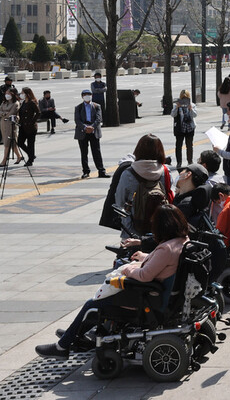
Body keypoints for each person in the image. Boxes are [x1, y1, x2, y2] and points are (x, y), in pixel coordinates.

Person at [35, 204, 190, 359]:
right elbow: (162, 264)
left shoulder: (166, 249)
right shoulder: (181, 241)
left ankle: (62, 347)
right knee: (97, 304)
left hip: (148, 299)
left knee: (92, 305)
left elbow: (144, 276)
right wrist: (144, 257)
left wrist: (127, 270)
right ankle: (75, 332)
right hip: (160, 295)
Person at [114, 134, 174, 236]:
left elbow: (120, 201)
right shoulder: (165, 171)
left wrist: (128, 230)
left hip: (133, 228)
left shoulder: (128, 173)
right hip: (160, 227)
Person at [75, 88, 107, 179]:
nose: (87, 96)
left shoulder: (97, 106)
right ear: (82, 97)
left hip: (94, 131)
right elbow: (77, 120)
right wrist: (85, 127)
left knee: (96, 152)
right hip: (83, 132)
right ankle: (86, 171)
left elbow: (98, 118)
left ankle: (101, 171)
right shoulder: (78, 107)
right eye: (85, 95)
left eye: (89, 94)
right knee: (84, 152)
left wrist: (92, 127)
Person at [171, 89, 197, 169]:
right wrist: (177, 107)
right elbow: (172, 114)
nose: (184, 100)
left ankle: (190, 161)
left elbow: (195, 115)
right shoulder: (177, 105)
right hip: (180, 128)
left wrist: (190, 109)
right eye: (183, 98)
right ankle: (179, 162)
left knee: (189, 145)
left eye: (186, 98)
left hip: (189, 128)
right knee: (178, 145)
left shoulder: (192, 105)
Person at [0, 87, 24, 166]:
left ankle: (4, 160)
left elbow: (11, 113)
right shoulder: (4, 102)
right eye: (6, 93)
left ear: (13, 94)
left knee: (8, 142)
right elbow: (0, 111)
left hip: (11, 124)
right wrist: (4, 113)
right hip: (3, 123)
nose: (7, 95)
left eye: (8, 93)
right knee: (11, 143)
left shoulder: (16, 103)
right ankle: (19, 156)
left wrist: (4, 113)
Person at [17, 87, 39, 166]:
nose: (21, 94)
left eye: (23, 93)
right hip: (22, 126)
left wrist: (32, 121)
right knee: (20, 142)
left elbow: (38, 113)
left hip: (31, 127)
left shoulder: (32, 102)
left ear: (27, 94)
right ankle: (31, 155)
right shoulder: (23, 102)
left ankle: (30, 160)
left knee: (30, 144)